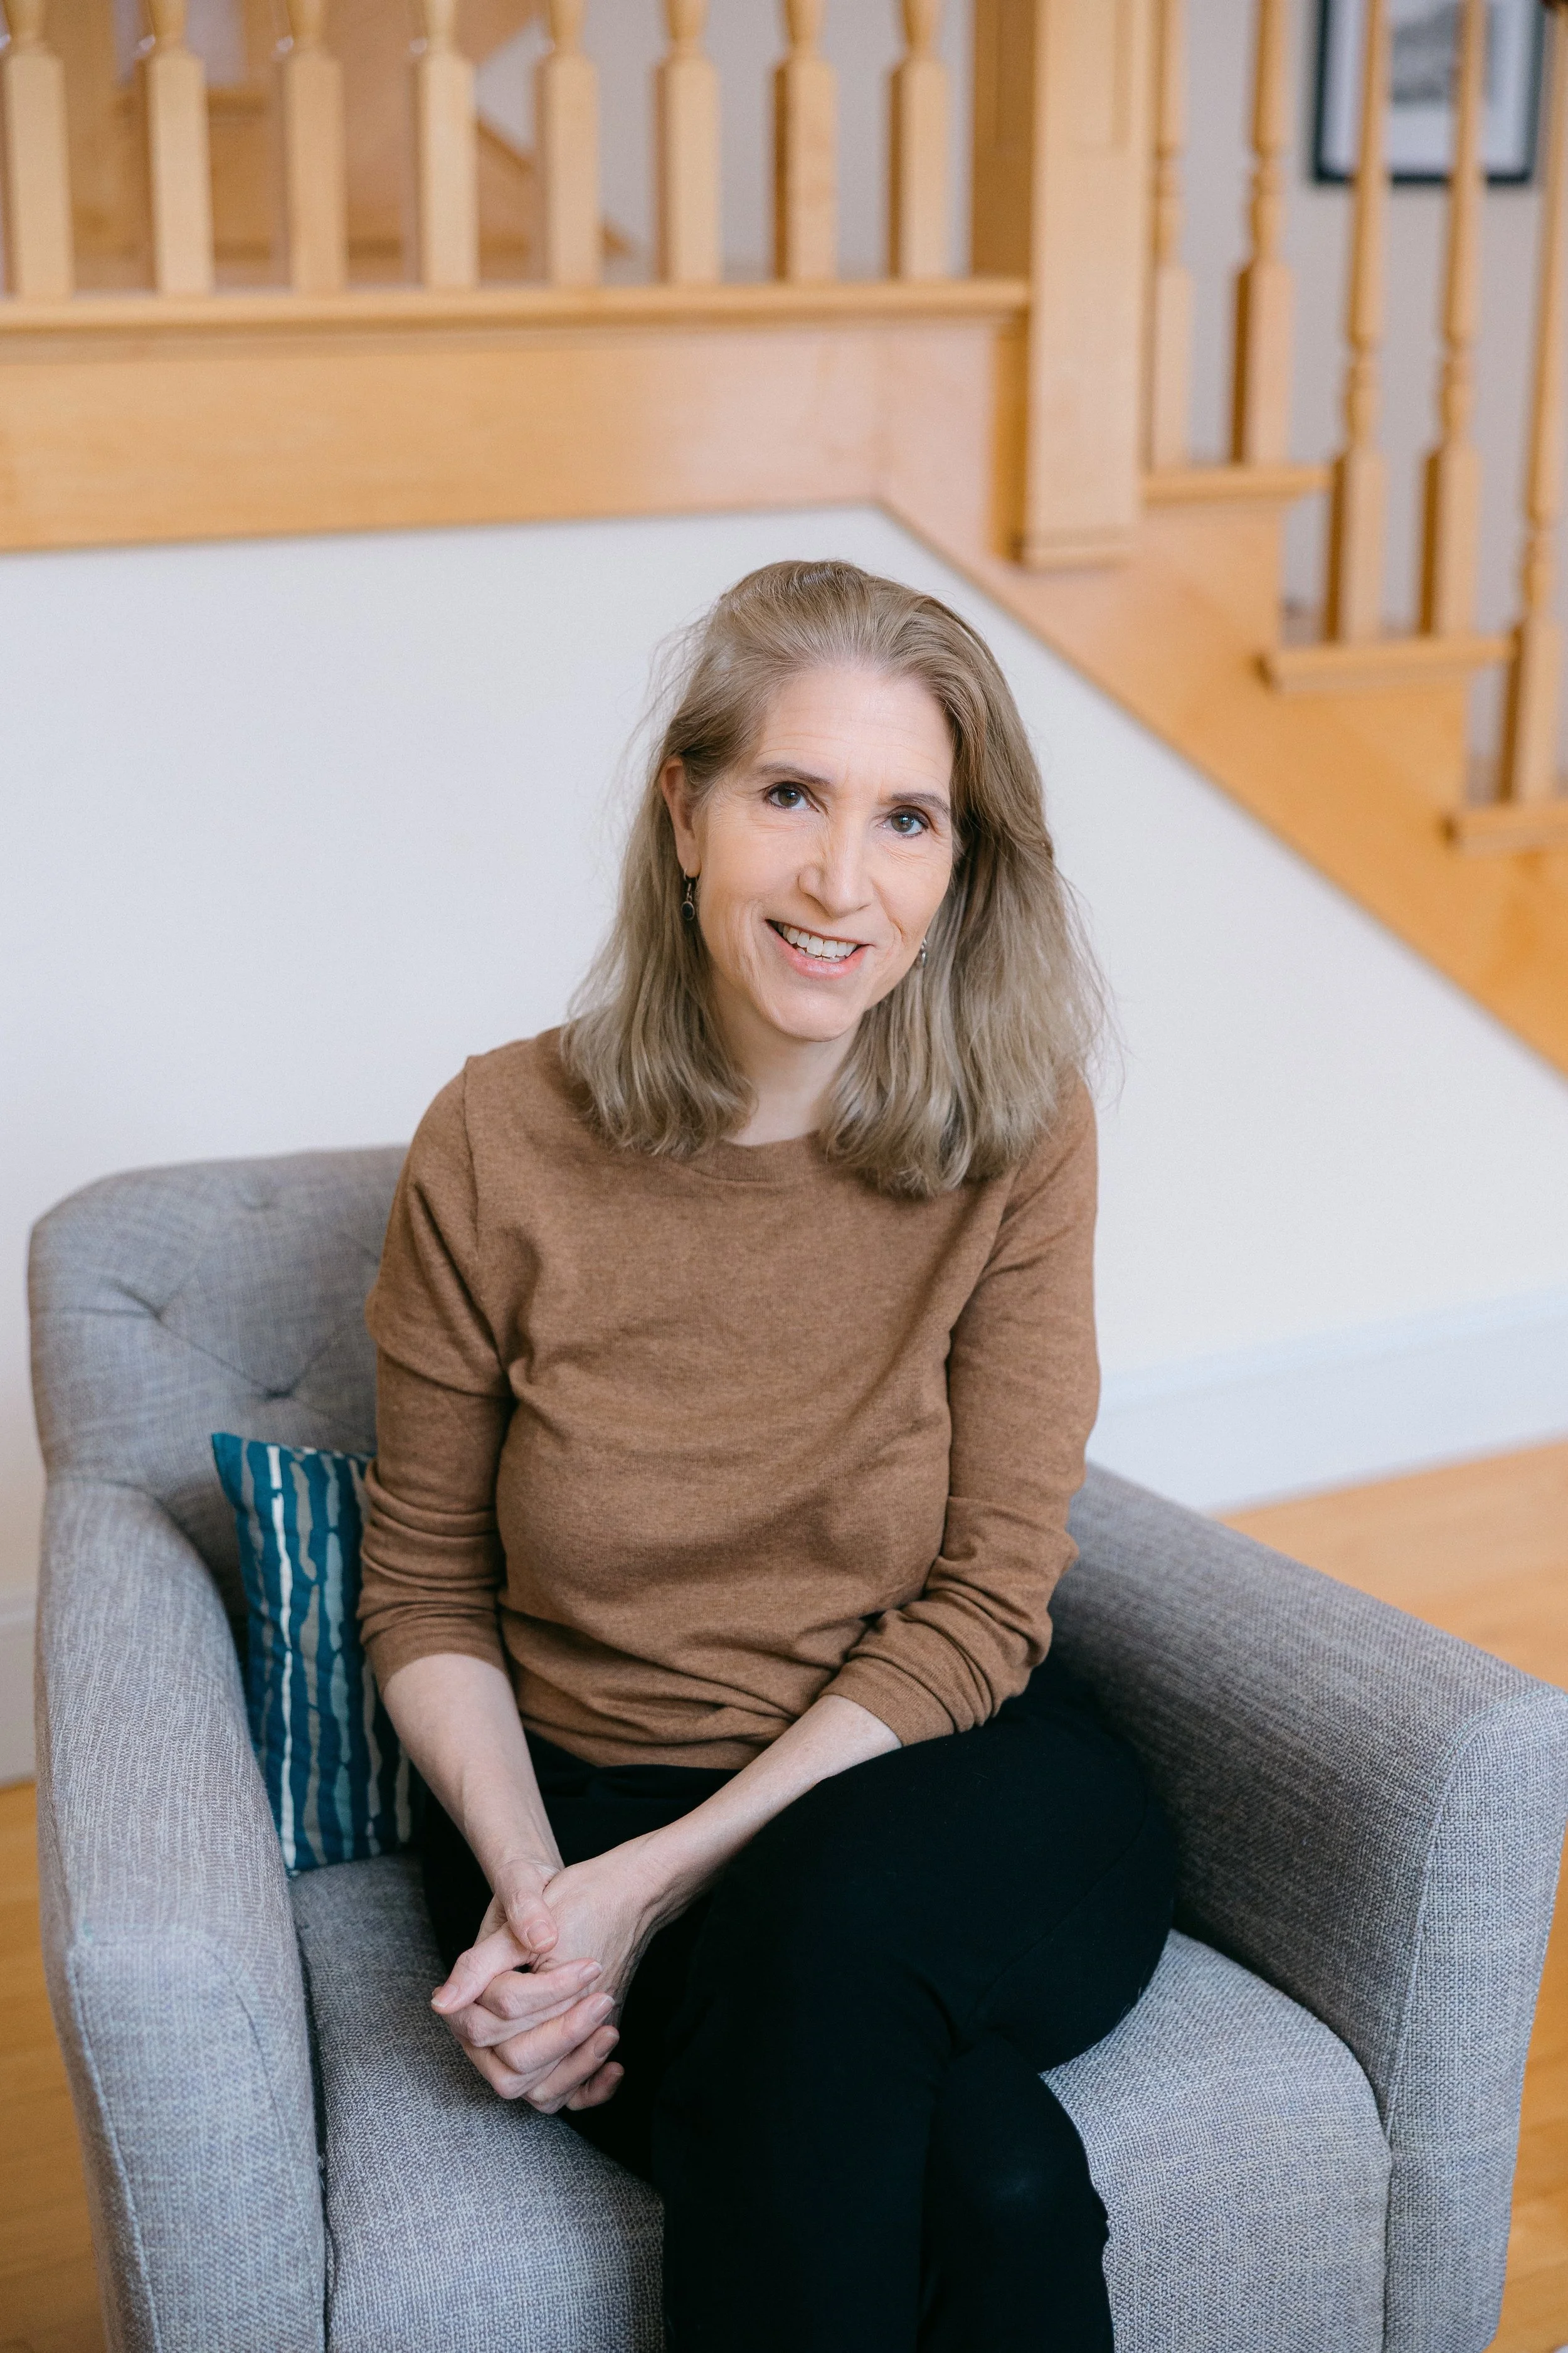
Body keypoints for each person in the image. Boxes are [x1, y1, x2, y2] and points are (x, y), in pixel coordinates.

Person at [358, 558, 1175, 2351]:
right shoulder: (498, 1136)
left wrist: (635, 1904)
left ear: (959, 867)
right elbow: (418, 1585)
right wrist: (539, 1893)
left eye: (905, 818)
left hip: (942, 1773)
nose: (838, 878)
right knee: (1006, 2186)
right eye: (789, 794)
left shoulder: (1018, 1134)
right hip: (575, 1787)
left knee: (819, 1935)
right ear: (684, 811)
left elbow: (984, 1599)